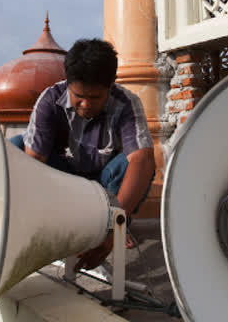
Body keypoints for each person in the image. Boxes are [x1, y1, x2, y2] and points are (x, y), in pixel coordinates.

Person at [9, 38, 155, 271]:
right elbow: (33, 165)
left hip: (105, 186)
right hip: (63, 182)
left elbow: (142, 161)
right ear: (68, 83)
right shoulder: (49, 101)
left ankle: (115, 223)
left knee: (137, 163)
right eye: (79, 96)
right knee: (15, 147)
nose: (86, 105)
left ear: (111, 86)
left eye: (95, 98)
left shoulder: (126, 103)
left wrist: (114, 229)